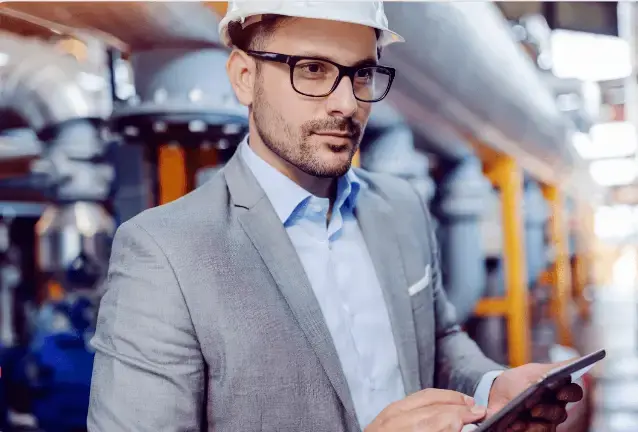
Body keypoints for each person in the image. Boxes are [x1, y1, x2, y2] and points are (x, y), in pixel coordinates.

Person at [87, 2, 583, 431]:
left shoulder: (400, 209)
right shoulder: (164, 252)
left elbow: (438, 343)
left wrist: (493, 386)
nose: (346, 103)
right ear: (244, 77)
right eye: (312, 69)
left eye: (361, 73)